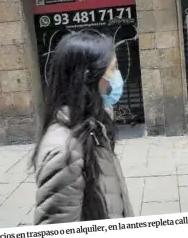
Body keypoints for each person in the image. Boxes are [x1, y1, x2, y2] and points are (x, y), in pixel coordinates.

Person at [30, 31, 134, 224]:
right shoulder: (64, 151)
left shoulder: (93, 127)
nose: (117, 76)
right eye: (112, 69)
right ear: (89, 77)